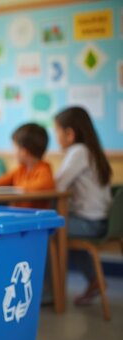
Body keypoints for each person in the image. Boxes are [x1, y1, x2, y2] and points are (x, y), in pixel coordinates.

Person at [54, 106, 112, 305]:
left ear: (69, 134)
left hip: (90, 223)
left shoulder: (78, 151)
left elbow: (57, 184)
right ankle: (94, 280)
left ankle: (49, 292)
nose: (56, 137)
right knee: (61, 231)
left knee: (47, 231)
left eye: (57, 132)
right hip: (101, 221)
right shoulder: (91, 151)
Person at [0, 123, 55, 208]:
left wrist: (18, 188)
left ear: (24, 152)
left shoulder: (43, 169)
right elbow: (0, 184)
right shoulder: (20, 170)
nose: (13, 152)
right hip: (19, 213)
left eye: (14, 147)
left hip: (37, 217)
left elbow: (45, 185)